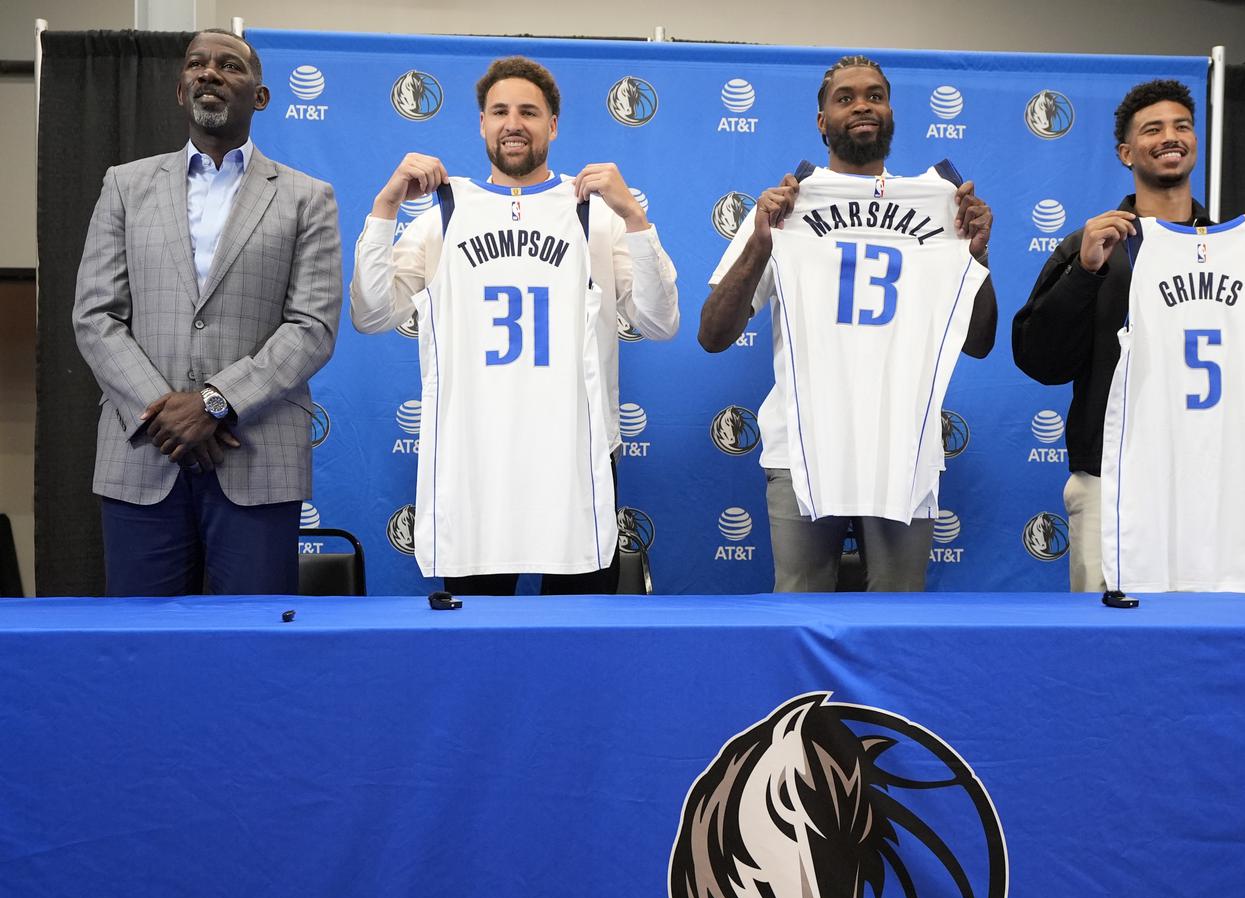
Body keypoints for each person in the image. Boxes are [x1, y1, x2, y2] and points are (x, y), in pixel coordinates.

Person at [350, 56, 679, 596]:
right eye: (499, 111)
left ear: (552, 125)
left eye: (529, 112)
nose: (513, 123)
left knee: (574, 639)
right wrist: (385, 207)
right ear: (481, 123)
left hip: (576, 453)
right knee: (477, 639)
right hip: (475, 455)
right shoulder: (444, 214)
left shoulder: (594, 213)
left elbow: (660, 322)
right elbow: (371, 313)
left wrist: (636, 220)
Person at [699, 55, 997, 593]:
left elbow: (979, 343)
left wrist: (977, 254)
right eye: (846, 97)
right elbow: (714, 335)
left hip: (904, 443)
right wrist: (760, 245)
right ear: (822, 120)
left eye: (875, 95)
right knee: (800, 607)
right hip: (802, 446)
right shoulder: (784, 206)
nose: (862, 105)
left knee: (897, 614)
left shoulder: (943, 207)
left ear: (891, 112)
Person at [1012, 79, 1245, 592]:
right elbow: (1040, 361)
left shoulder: (1243, 252)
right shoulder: (1092, 244)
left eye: (1181, 126)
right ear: (1126, 152)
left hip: (1218, 479)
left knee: (1217, 647)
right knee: (1109, 649)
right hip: (1113, 478)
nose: (1170, 137)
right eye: (1152, 129)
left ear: (1195, 141)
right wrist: (1085, 274)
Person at [71, 29, 342, 597]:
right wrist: (167, 415)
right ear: (180, 90)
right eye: (196, 64)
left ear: (261, 97)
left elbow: (312, 327)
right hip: (142, 454)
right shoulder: (124, 186)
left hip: (257, 457)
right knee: (141, 648)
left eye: (229, 66)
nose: (209, 73)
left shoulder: (306, 197)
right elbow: (96, 315)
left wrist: (217, 403)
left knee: (254, 649)